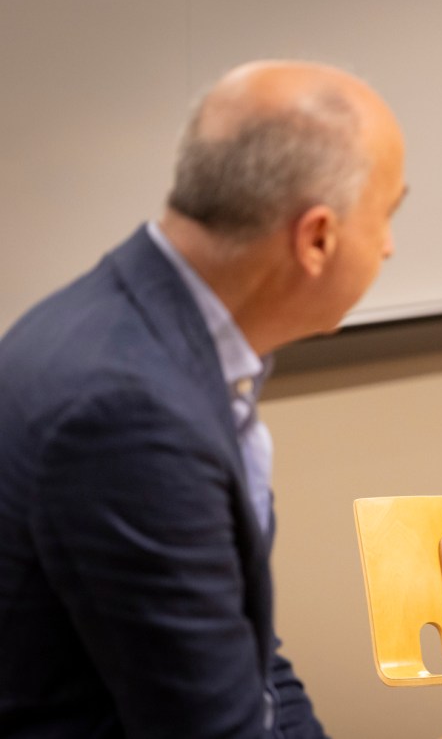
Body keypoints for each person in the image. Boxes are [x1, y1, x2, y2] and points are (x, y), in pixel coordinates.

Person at [0, 60, 406, 737]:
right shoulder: (128, 410)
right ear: (317, 239)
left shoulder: (145, 332)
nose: (390, 247)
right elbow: (209, 724)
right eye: (386, 216)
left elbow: (251, 659)